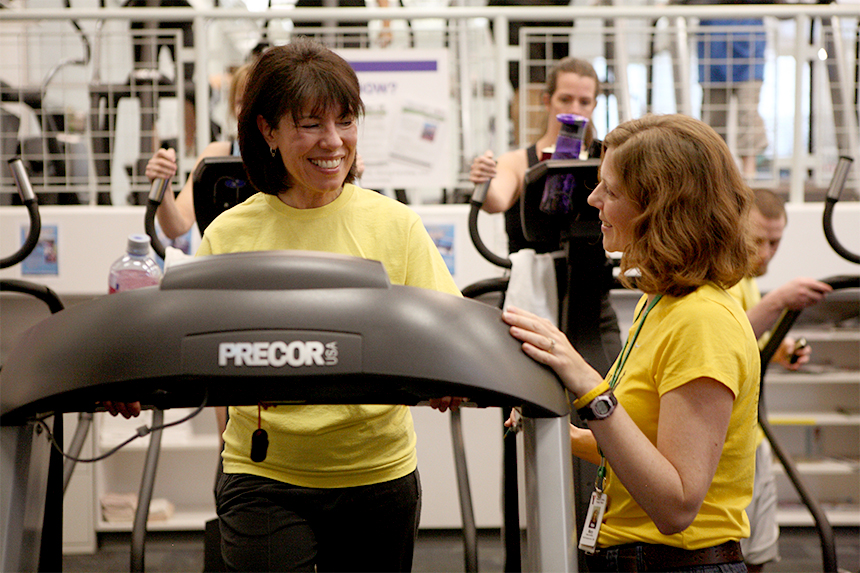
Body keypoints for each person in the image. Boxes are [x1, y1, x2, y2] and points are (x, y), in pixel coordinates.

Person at [197, 38, 462, 572]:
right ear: (268, 131)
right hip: (264, 476)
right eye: (311, 124)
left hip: (378, 473)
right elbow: (195, 347)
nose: (334, 141)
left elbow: (450, 331)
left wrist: (450, 375)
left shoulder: (396, 225)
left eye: (345, 121)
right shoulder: (230, 234)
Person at [503, 113, 761, 572]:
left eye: (611, 190)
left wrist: (586, 382)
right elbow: (643, 446)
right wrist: (561, 435)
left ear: (659, 208)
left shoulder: (702, 321)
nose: (594, 199)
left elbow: (676, 505)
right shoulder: (659, 303)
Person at [728, 188, 832, 572]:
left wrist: (781, 346)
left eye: (775, 242)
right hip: (727, 443)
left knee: (758, 554)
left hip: (753, 438)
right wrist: (779, 301)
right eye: (758, 241)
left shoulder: (749, 281)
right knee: (734, 555)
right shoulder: (724, 276)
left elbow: (753, 334)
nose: (767, 253)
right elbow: (728, 339)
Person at [144, 62, 252, 240]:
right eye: (241, 102)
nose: (247, 110)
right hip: (225, 263)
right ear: (233, 108)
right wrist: (164, 184)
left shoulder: (286, 157)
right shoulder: (216, 156)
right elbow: (176, 227)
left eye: (255, 102)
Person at [685, 0, 769, 179]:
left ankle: (749, 171)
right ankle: (714, 171)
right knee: (714, 117)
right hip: (713, 52)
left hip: (749, 50)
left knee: (748, 112)